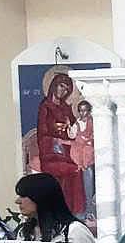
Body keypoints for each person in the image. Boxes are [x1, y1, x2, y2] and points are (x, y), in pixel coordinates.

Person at [36, 71, 87, 216]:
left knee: (79, 169)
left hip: (67, 150)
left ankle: (76, 213)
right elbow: (42, 132)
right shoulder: (45, 107)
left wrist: (73, 128)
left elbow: (74, 128)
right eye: (61, 86)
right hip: (50, 154)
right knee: (73, 171)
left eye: (66, 89)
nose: (63, 91)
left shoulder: (66, 107)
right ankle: (66, 211)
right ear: (54, 86)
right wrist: (56, 137)